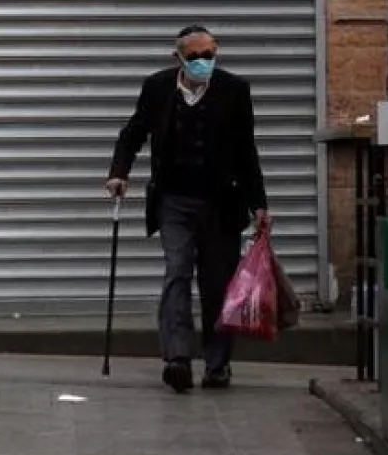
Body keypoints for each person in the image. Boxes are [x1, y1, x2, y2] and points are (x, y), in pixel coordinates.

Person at [106, 25, 270, 393]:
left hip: (222, 202)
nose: (202, 63)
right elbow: (133, 133)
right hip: (173, 200)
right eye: (194, 57)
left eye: (209, 55)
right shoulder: (158, 88)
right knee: (177, 272)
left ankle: (217, 364)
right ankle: (177, 358)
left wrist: (260, 204)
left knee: (217, 284)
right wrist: (119, 173)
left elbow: (247, 152)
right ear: (177, 58)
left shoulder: (234, 91)